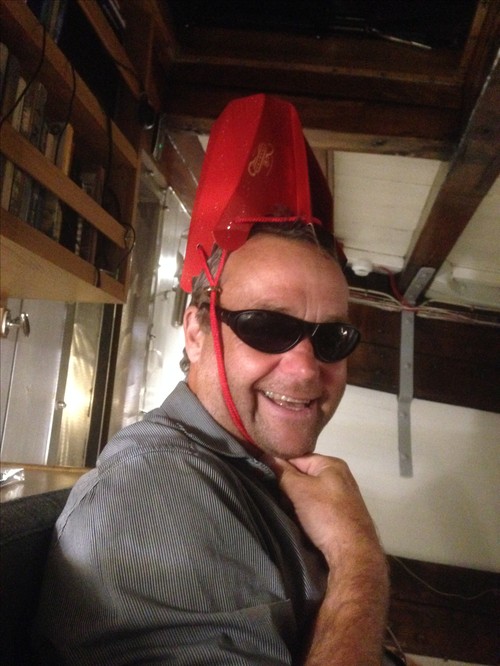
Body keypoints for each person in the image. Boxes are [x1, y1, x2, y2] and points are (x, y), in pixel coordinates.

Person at [35, 94, 398, 665]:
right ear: (196, 331)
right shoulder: (154, 491)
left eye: (331, 337)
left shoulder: (250, 472)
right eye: (267, 326)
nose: (307, 368)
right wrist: (359, 560)